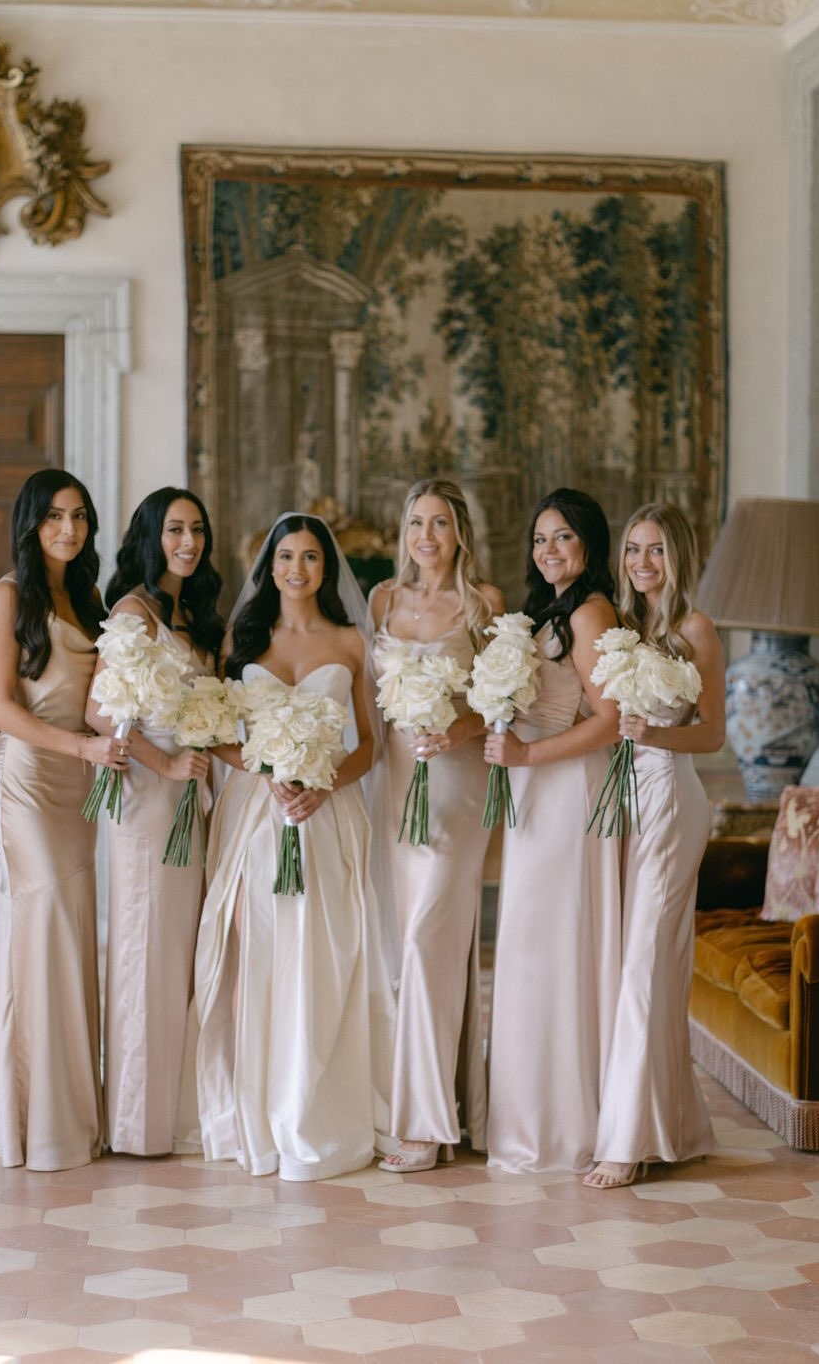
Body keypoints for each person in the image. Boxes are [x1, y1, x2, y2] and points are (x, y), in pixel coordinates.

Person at [193, 513, 394, 1180]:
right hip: (256, 817)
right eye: (285, 556)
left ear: (326, 568)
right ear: (269, 563)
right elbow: (214, 733)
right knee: (264, 955)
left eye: (310, 557)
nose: (297, 569)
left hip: (327, 814)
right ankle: (261, 1114)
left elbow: (371, 744)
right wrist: (266, 767)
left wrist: (323, 778)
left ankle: (316, 1109)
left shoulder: (350, 642)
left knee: (323, 956)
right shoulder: (243, 638)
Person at [0, 468, 126, 1171]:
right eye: (55, 516)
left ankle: (66, 1117)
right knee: (40, 925)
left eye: (80, 516)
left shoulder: (88, 599)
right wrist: (83, 746)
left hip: (76, 787)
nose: (69, 528)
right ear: (32, 522)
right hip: (27, 784)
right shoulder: (8, 597)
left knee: (68, 935)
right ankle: (21, 1121)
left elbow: (92, 699)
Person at [584, 503, 723, 1188]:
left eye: (656, 550)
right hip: (623, 798)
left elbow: (714, 732)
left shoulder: (696, 629)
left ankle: (627, 1141)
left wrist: (654, 734)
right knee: (638, 961)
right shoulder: (625, 628)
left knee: (644, 959)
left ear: (679, 556)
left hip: (670, 793)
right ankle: (677, 1124)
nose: (642, 562)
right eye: (634, 549)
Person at [484, 487, 621, 1175]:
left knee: (557, 942)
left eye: (562, 537)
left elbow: (610, 716)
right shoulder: (549, 612)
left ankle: (565, 1124)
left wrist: (529, 754)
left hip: (567, 789)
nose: (548, 551)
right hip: (534, 786)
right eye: (541, 539)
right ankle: (527, 1112)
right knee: (532, 943)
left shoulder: (592, 612)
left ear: (588, 544)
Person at [370, 479, 503, 1173]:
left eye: (441, 522)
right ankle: (444, 1101)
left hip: (454, 783)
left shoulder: (484, 605)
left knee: (432, 939)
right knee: (409, 946)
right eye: (417, 522)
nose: (427, 535)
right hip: (396, 785)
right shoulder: (383, 602)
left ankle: (424, 1123)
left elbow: (500, 703)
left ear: (460, 533)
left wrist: (458, 728)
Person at [86, 488, 224, 1157]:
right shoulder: (132, 614)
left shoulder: (192, 615)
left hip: (187, 802)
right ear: (151, 534)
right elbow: (98, 711)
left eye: (197, 529)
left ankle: (172, 1108)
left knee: (177, 952)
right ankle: (137, 1122)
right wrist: (166, 766)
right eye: (175, 529)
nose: (189, 541)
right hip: (146, 798)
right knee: (143, 947)